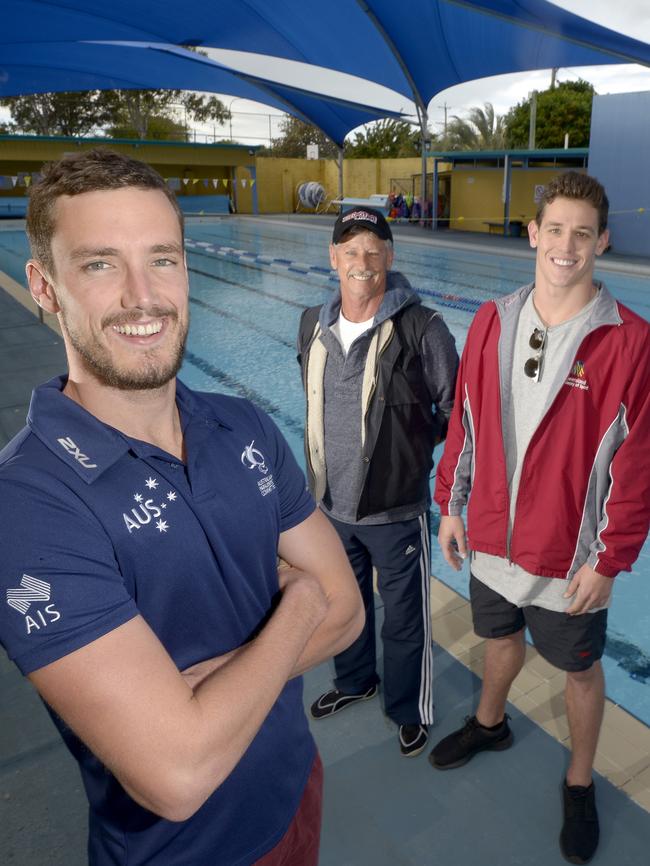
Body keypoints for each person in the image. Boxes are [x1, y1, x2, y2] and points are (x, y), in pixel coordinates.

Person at [0, 148, 365, 866]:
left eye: (162, 259)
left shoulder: (245, 426)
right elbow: (178, 774)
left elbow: (349, 611)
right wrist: (296, 609)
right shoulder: (27, 504)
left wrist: (200, 701)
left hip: (296, 792)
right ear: (44, 286)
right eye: (101, 264)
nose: (144, 296)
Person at [430, 171, 650, 865]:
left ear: (601, 242)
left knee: (579, 672)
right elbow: (464, 421)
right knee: (498, 639)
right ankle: (491, 724)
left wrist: (609, 559)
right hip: (491, 535)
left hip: (567, 556)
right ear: (532, 234)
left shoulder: (629, 342)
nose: (566, 245)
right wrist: (450, 504)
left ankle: (579, 780)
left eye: (582, 233)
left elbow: (637, 463)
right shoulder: (494, 319)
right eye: (554, 229)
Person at [297, 207, 459, 757]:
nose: (361, 263)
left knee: (405, 618)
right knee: (345, 604)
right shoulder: (310, 326)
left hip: (395, 512)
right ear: (333, 258)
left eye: (373, 251)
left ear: (390, 257)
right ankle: (355, 680)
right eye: (350, 251)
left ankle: (409, 707)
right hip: (332, 506)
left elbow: (457, 410)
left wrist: (414, 447)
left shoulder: (424, 327)